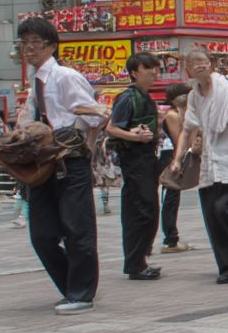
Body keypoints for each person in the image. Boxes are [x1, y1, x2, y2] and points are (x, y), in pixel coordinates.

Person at [17, 16, 108, 315]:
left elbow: (96, 115)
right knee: (41, 234)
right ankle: (73, 284)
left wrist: (85, 135)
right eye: (24, 43)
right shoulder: (36, 82)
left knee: (77, 228)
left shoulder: (65, 76)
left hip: (70, 160)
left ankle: (81, 293)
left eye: (35, 43)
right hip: (43, 162)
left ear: (51, 46)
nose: (29, 49)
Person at [171, 47, 228, 285]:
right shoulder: (193, 96)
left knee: (224, 211)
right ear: (187, 70)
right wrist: (178, 159)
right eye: (193, 62)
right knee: (212, 216)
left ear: (211, 64)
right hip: (209, 164)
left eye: (203, 61)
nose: (199, 65)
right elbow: (187, 128)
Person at [106, 52, 164, 280]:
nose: (154, 73)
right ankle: (135, 264)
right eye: (148, 68)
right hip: (135, 160)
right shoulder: (128, 98)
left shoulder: (145, 97)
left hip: (147, 159)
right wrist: (135, 136)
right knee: (141, 210)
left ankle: (139, 259)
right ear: (133, 73)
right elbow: (111, 129)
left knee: (148, 210)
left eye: (156, 68)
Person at [158, 83, 194, 253]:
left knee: (173, 198)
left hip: (174, 156)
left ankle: (172, 238)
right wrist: (177, 160)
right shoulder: (172, 115)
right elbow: (178, 138)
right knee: (170, 198)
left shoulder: (181, 113)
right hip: (170, 157)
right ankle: (170, 240)